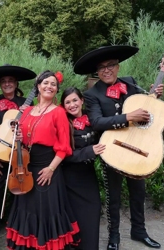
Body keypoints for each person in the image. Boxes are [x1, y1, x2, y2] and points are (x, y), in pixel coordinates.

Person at [74, 45, 163, 250]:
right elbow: (96, 122)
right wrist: (127, 117)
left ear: (118, 66)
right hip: (111, 150)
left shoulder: (130, 83)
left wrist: (153, 96)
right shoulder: (91, 93)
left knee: (138, 193)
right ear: (97, 71)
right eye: (101, 67)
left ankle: (139, 231)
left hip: (136, 146)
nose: (106, 70)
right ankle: (114, 236)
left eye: (111, 65)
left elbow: (145, 109)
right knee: (113, 196)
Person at [6, 70, 80, 249]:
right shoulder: (26, 111)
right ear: (38, 86)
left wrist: (51, 169)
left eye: (53, 84)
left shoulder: (59, 113)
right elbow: (23, 138)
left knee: (46, 211)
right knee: (27, 209)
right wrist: (18, 138)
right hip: (26, 168)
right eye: (45, 83)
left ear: (56, 90)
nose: (49, 86)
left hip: (48, 168)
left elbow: (64, 147)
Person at [0, 64, 37, 250]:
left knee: (22, 200)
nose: (7, 84)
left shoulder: (27, 104)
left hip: (20, 160)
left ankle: (20, 238)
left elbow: (32, 132)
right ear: (0, 84)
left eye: (10, 80)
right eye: (3, 81)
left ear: (16, 83)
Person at [60, 87, 106, 250]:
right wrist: (89, 151)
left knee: (92, 212)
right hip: (69, 178)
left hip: (88, 176)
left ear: (82, 100)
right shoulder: (64, 123)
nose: (72, 105)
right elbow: (63, 155)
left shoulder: (93, 118)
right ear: (63, 106)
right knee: (73, 217)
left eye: (74, 100)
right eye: (67, 102)